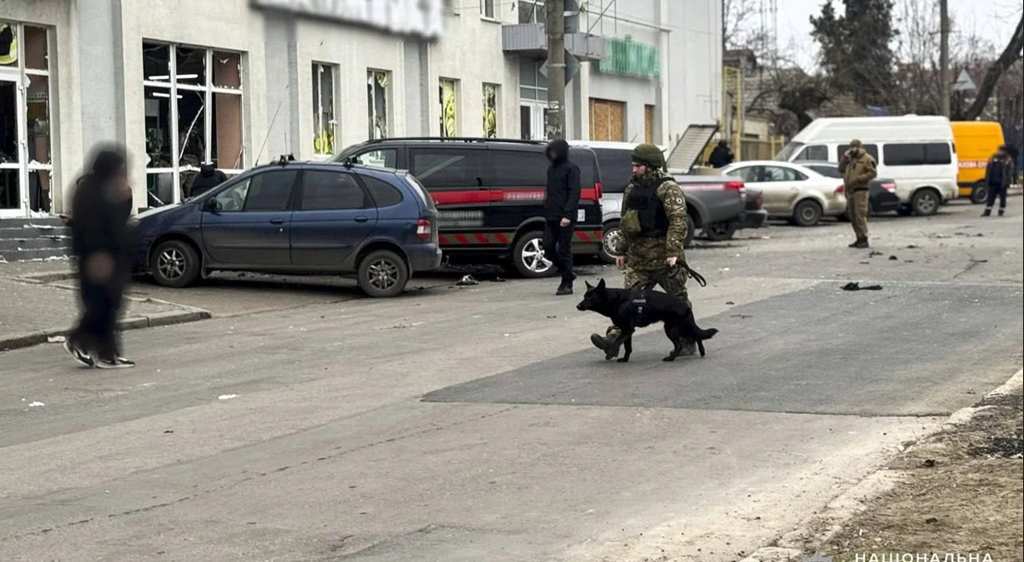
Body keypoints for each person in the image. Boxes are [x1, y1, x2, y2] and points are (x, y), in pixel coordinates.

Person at [590, 144, 697, 357]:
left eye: (638, 165)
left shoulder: (668, 188)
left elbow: (678, 220)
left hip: (666, 260)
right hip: (639, 260)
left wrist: (673, 251)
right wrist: (621, 251)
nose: (634, 169)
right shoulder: (631, 189)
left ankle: (687, 339)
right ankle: (613, 340)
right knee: (626, 303)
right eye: (633, 165)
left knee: (677, 300)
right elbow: (625, 223)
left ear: (650, 166)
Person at [64, 147, 136, 369]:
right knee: (100, 306)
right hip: (97, 259)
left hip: (114, 255)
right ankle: (77, 340)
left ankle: (108, 353)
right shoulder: (88, 190)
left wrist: (127, 196)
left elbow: (120, 217)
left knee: (112, 305)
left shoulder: (110, 188)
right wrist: (95, 255)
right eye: (118, 168)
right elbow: (87, 226)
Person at [543, 139, 581, 296]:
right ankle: (567, 272)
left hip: (566, 217)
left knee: (564, 249)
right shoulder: (551, 169)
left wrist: (567, 214)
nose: (552, 154)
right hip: (551, 215)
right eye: (550, 152)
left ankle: (567, 283)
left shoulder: (571, 169)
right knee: (547, 246)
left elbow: (574, 193)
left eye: (554, 151)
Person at [839, 139, 877, 249]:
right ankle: (858, 237)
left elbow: (873, 173)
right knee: (853, 216)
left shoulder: (867, 159)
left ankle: (864, 238)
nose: (853, 149)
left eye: (856, 147)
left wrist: (860, 179)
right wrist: (844, 159)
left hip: (861, 190)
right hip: (850, 190)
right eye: (852, 147)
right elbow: (841, 169)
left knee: (860, 215)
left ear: (860, 147)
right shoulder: (849, 159)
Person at [982, 146, 1013, 217]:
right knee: (998, 197)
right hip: (999, 181)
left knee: (993, 197)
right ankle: (999, 211)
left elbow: (988, 170)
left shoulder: (995, 158)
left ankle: (989, 211)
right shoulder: (1006, 159)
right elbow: (1010, 171)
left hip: (997, 181)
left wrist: (987, 179)